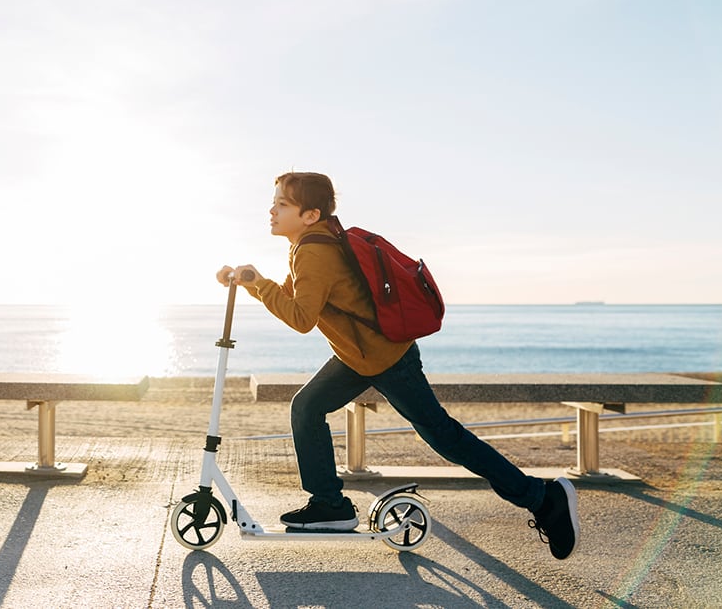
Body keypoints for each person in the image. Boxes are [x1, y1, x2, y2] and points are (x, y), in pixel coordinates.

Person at [217, 171, 580, 560]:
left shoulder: (313, 251)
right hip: (359, 357)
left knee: (445, 437)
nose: (272, 210)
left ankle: (543, 498)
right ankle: (329, 504)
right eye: (274, 202)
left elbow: (301, 318)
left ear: (310, 215)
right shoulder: (309, 244)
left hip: (387, 359)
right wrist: (252, 282)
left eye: (282, 204)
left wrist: (260, 285)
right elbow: (301, 298)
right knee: (307, 407)